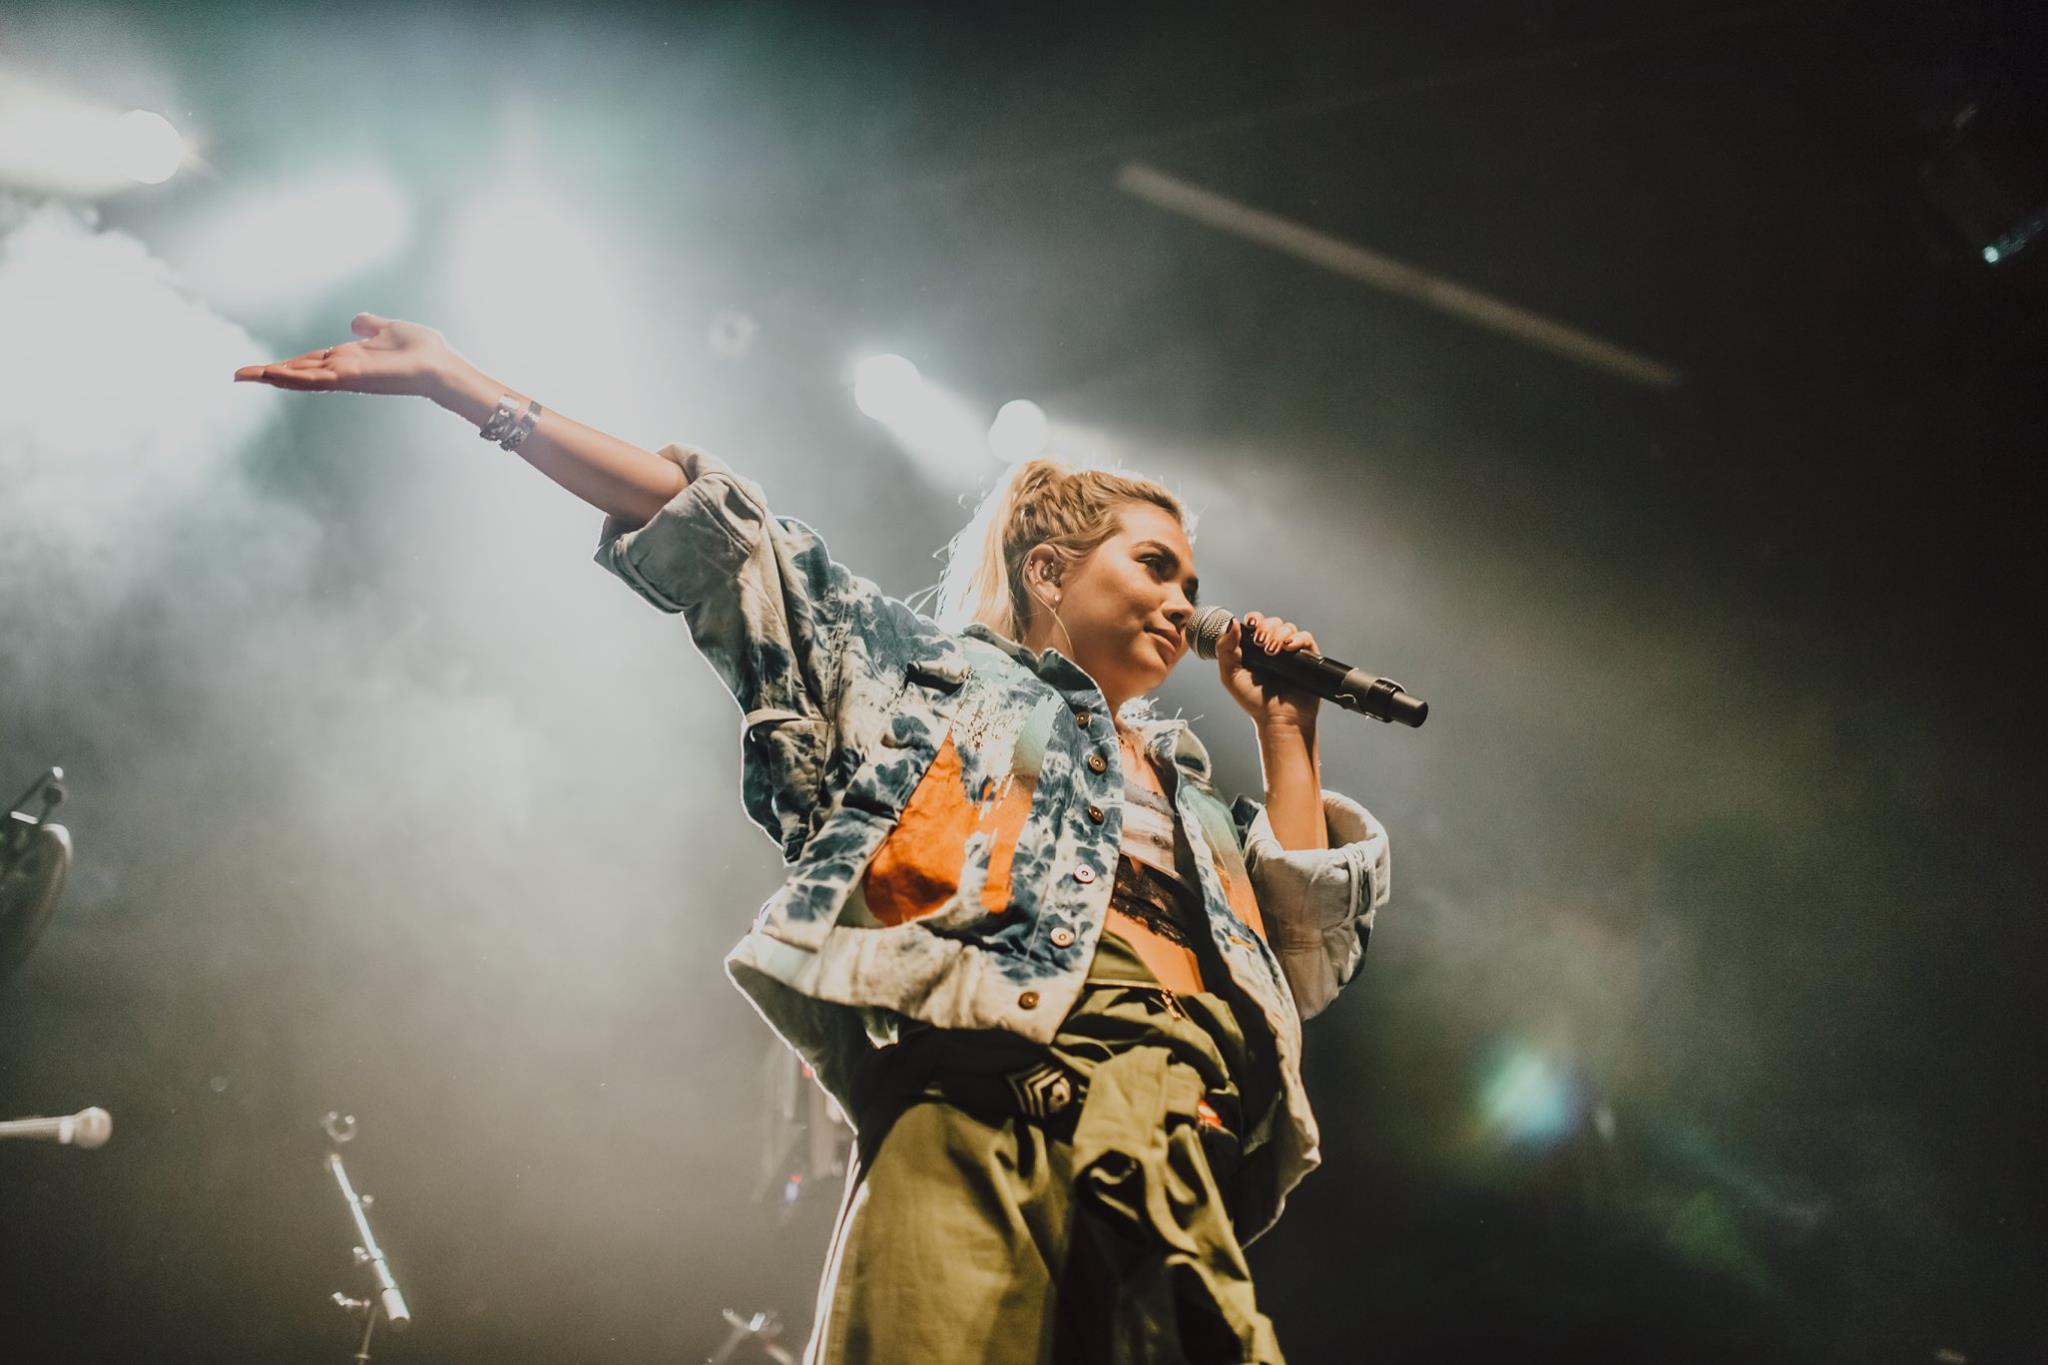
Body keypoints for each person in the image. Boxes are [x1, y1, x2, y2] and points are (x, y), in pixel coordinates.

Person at [235, 314, 1392, 1364]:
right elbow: (724, 536)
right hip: (979, 1102)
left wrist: (1286, 732)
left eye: (1191, 580)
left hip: (1172, 1137)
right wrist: (464, 387)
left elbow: (1299, 959)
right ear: (1048, 570)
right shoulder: (927, 681)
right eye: (1153, 565)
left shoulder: (1192, 799)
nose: (1183, 602)